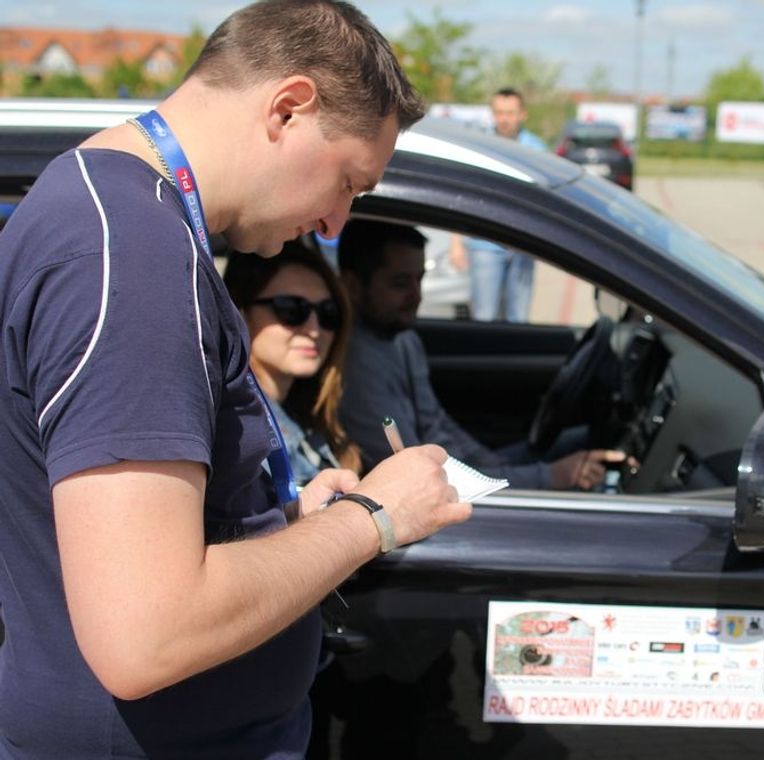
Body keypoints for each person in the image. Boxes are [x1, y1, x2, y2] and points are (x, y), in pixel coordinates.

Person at [0, 2, 471, 757]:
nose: (334, 225)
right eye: (349, 181)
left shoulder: (103, 209)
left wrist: (285, 524)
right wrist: (373, 519)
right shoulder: (133, 262)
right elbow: (145, 634)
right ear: (288, 107)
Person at [338, 219, 628, 490]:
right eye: (400, 284)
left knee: (575, 442)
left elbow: (437, 427)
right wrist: (549, 475)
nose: (417, 295)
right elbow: (409, 472)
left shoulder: (402, 338)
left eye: (420, 279)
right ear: (353, 287)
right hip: (423, 501)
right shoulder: (356, 367)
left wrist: (497, 466)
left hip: (448, 479)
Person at [223, 238, 361, 483]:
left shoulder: (306, 415)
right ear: (240, 313)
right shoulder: (241, 434)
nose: (314, 329)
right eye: (291, 309)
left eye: (328, 312)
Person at [449, 87, 547, 322]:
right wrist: (456, 243)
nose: (504, 119)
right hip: (485, 243)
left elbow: (543, 201)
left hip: (523, 246)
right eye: (499, 113)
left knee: (519, 318)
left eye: (510, 113)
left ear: (523, 114)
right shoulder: (480, 147)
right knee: (484, 316)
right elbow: (462, 195)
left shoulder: (536, 150)